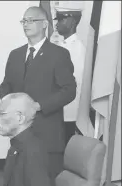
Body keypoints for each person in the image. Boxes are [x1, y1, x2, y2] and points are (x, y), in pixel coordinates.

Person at [0, 6, 76, 179]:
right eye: (24, 21)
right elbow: (6, 85)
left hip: (47, 134)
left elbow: (69, 91)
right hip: (20, 133)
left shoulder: (59, 54)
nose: (26, 24)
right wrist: (8, 104)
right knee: (18, 183)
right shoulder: (15, 55)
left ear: (44, 24)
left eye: (31, 20)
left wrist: (38, 106)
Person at [54, 6, 85, 145]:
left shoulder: (78, 49)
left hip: (70, 111)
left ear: (72, 22)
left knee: (67, 150)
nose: (57, 23)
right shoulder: (60, 45)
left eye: (61, 19)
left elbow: (75, 82)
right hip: (56, 109)